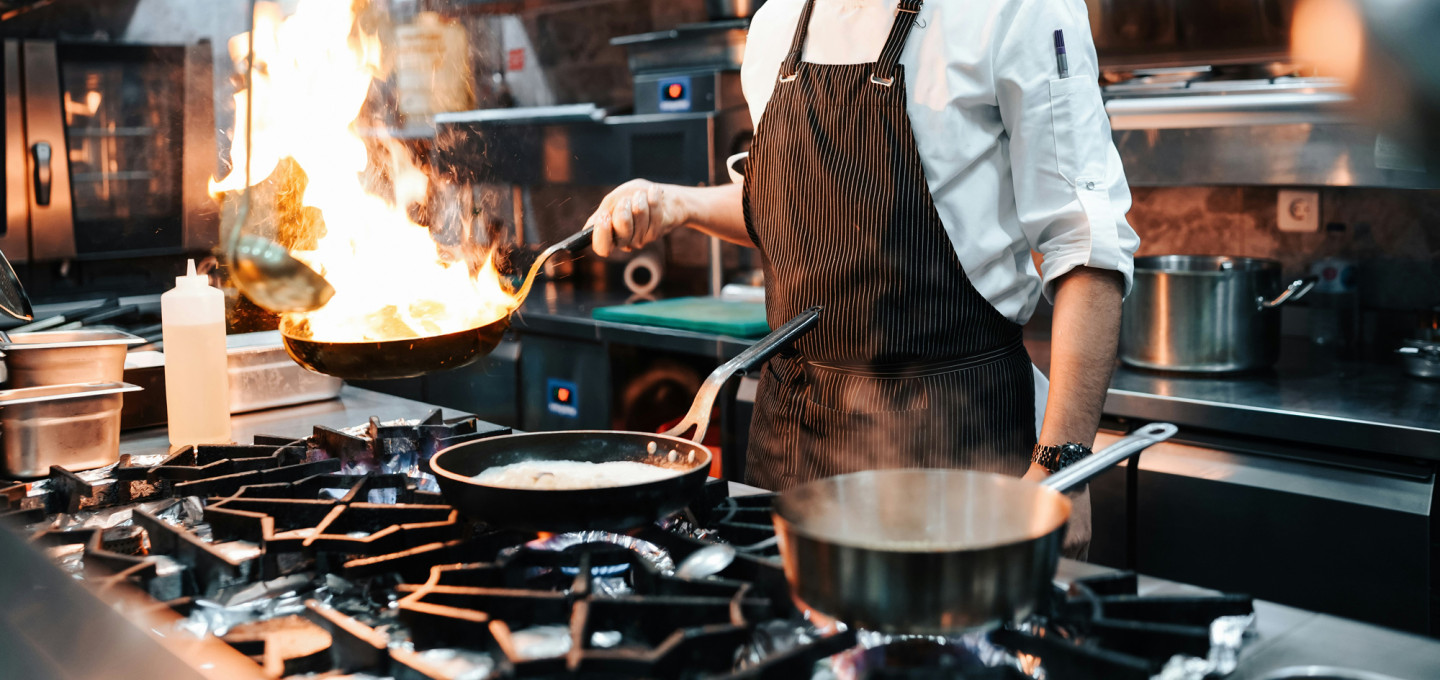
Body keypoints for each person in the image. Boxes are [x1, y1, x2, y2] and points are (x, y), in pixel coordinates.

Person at [584, 0, 1137, 555]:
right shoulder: (776, 25)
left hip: (959, 445)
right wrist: (676, 203)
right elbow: (795, 210)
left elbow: (1085, 245)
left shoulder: (1015, 10)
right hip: (790, 446)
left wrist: (1063, 463)